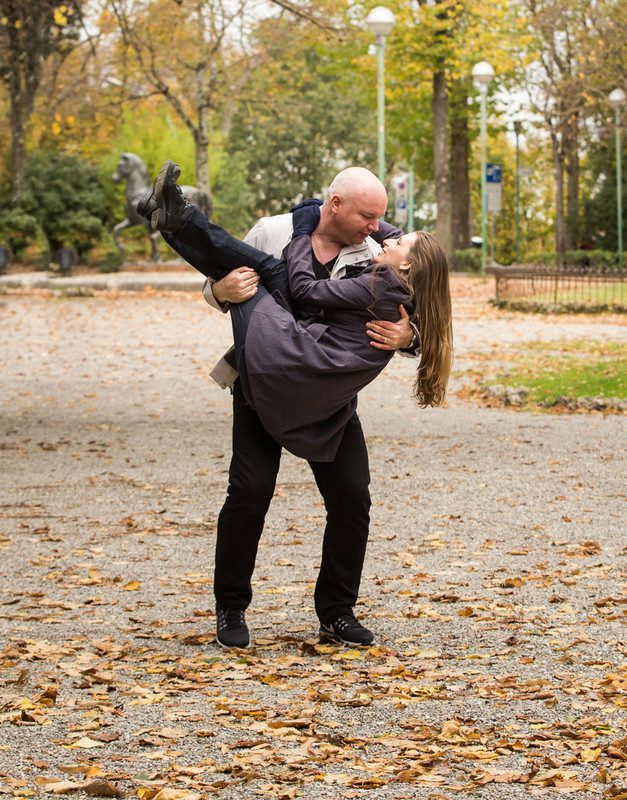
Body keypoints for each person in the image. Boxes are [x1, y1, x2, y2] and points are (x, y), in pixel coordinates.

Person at [146, 161, 437, 650]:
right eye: (368, 215)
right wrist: (219, 292)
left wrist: (412, 334)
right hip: (265, 376)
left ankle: (337, 612)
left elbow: (425, 292)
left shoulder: (373, 249)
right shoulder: (273, 231)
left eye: (379, 219)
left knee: (352, 497)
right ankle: (230, 607)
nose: (375, 227)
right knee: (249, 491)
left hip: (326, 393)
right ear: (335, 204)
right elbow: (215, 272)